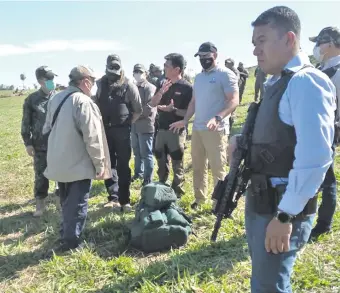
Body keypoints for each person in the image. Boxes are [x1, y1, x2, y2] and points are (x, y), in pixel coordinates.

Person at [236, 6, 335, 292]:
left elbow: (315, 157)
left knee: (269, 286)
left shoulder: (305, 82)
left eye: (262, 41)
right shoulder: (278, 81)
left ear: (289, 39)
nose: (255, 51)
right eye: (254, 43)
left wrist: (285, 215)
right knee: (264, 280)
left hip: (280, 207)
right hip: (263, 199)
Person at [43, 65, 112, 253]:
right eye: (93, 82)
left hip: (59, 161)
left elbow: (46, 129)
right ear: (86, 82)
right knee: (78, 203)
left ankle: (65, 232)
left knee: (65, 201)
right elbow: (93, 138)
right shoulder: (83, 102)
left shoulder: (56, 98)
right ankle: (72, 242)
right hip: (78, 164)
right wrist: (100, 165)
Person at [170, 42, 239, 209]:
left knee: (217, 167)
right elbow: (194, 102)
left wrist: (218, 118)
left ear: (215, 55)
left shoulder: (226, 74)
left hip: (216, 130)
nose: (203, 60)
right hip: (198, 129)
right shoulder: (199, 78)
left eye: (206, 57)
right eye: (200, 57)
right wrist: (186, 120)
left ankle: (219, 203)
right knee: (198, 166)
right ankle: (200, 200)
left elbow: (234, 101)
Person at [94, 54, 142, 211]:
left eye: (116, 68)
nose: (113, 72)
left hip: (122, 131)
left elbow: (138, 110)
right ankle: (113, 198)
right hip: (105, 131)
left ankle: (125, 200)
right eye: (110, 68)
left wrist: (126, 124)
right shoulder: (100, 84)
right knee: (108, 164)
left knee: (123, 166)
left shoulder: (129, 85)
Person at [309, 26, 340, 239]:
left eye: (319, 43)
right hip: (311, 130)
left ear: (329, 43)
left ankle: (323, 224)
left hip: (328, 131)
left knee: (327, 178)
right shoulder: (322, 68)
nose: (316, 47)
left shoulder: (337, 72)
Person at [149, 53, 192, 197]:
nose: (164, 69)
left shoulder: (187, 88)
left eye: (167, 66)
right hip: (161, 128)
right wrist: (161, 92)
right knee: (160, 158)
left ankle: (177, 192)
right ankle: (162, 187)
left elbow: (189, 112)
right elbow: (153, 103)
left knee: (177, 160)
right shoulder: (162, 83)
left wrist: (173, 110)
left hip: (176, 130)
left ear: (177, 69)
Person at [21, 66, 57, 217]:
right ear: (41, 81)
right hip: (40, 145)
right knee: (41, 175)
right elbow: (26, 123)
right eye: (49, 79)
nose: (52, 82)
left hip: (57, 143)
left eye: (52, 79)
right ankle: (40, 205)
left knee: (60, 174)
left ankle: (60, 201)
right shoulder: (31, 100)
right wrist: (28, 143)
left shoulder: (58, 97)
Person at [131, 64, 157, 186]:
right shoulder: (132, 87)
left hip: (145, 125)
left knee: (146, 153)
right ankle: (138, 174)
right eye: (135, 71)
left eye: (140, 71)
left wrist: (134, 116)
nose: (138, 74)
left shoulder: (150, 88)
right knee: (136, 152)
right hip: (134, 126)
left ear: (146, 74)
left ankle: (148, 178)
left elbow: (149, 108)